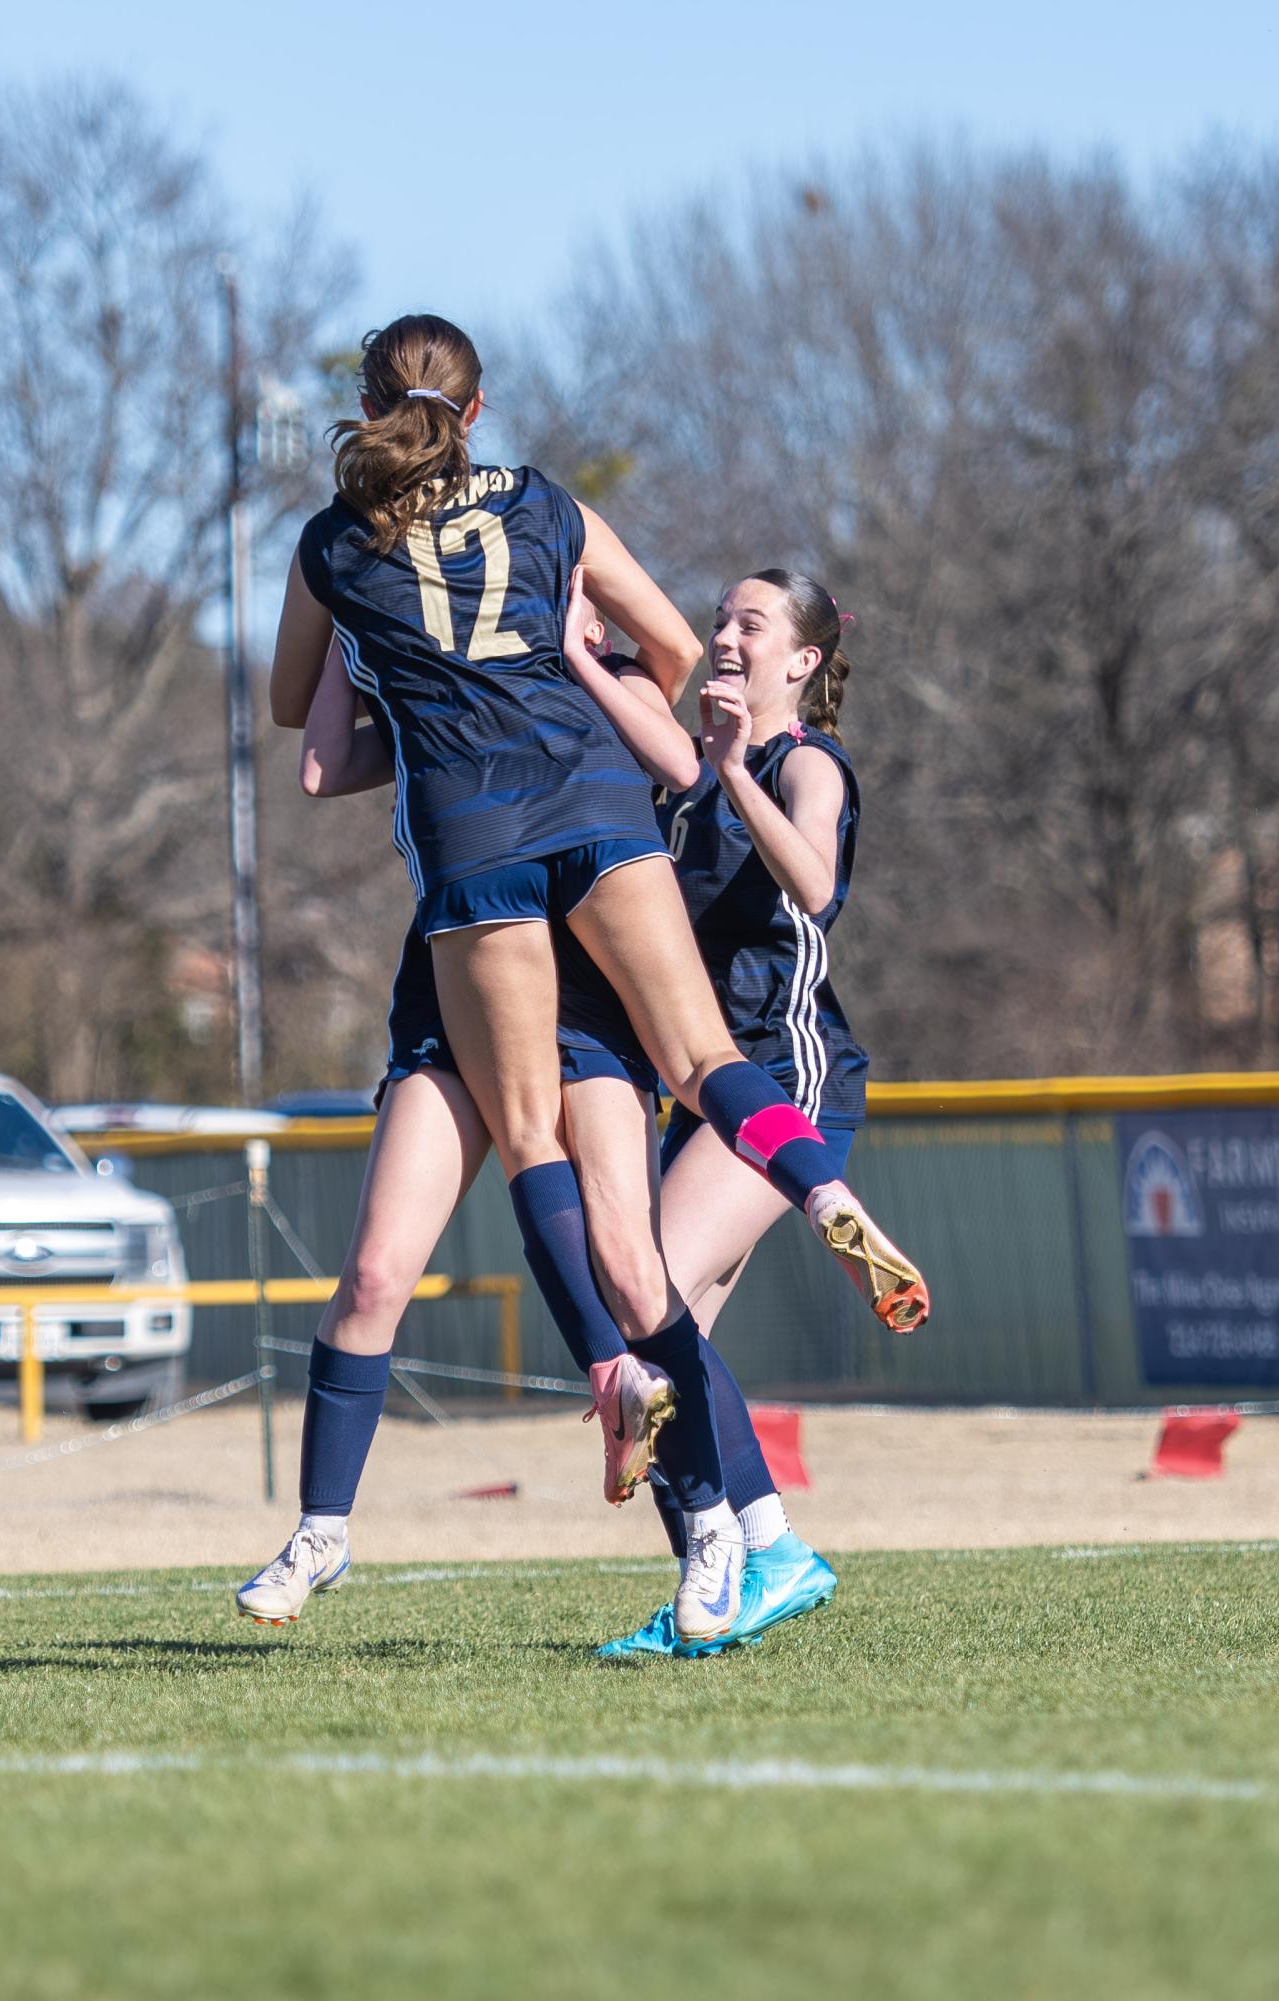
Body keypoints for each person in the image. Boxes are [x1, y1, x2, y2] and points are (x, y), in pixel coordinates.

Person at [269, 313, 928, 1638]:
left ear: (366, 406)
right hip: (594, 821)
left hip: (476, 858)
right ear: (481, 404)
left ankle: (654, 1483)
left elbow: (305, 733)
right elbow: (681, 674)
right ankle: (820, 1197)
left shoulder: (335, 547)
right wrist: (569, 667)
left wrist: (396, 666)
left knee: (542, 1171)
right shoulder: (547, 507)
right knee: (698, 1088)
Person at [240, 612, 814, 1648]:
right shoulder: (438, 685)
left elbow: (683, 760)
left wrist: (595, 660)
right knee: (374, 1276)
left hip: (580, 1010)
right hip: (452, 980)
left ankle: (718, 1533)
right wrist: (335, 604)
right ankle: (320, 1531)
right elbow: (322, 763)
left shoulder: (605, 682)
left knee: (636, 1283)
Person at [584, 569, 877, 1656]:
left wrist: (731, 769)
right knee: (657, 1355)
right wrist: (580, 654)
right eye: (716, 620)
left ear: (800, 660)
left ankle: (760, 1553)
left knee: (639, 1307)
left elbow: (812, 882)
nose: (721, 637)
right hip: (695, 1085)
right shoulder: (688, 784)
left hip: (785, 1079)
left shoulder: (803, 765)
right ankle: (737, 1573)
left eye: (748, 624)